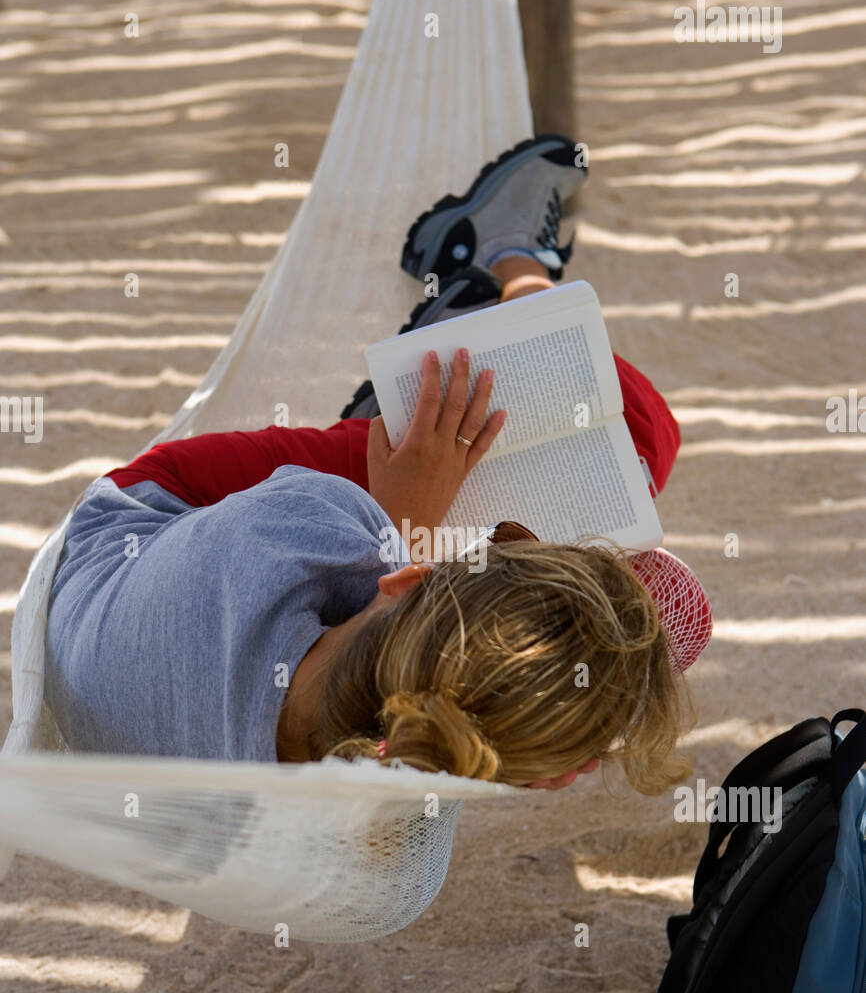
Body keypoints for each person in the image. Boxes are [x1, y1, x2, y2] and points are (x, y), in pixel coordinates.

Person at [44, 135, 708, 794]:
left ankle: (509, 260)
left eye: (499, 548)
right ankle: (505, 282)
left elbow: (285, 550)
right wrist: (527, 724)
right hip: (132, 701)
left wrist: (401, 514)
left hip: (138, 531)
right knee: (615, 461)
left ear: (402, 572)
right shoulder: (388, 847)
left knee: (637, 432)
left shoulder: (297, 529)